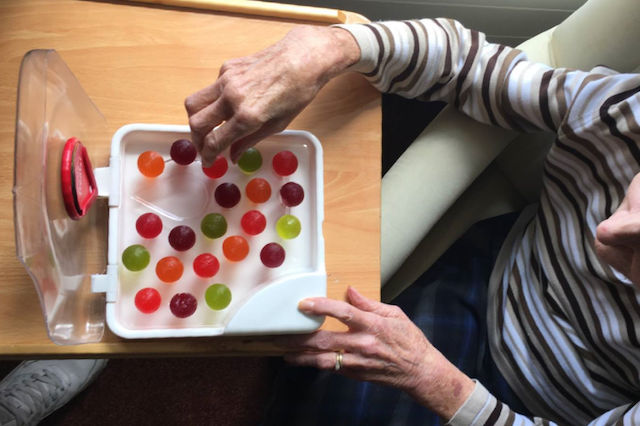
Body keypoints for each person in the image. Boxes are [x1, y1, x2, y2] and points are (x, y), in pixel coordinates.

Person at [184, 18, 640, 425]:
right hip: (501, 281)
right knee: (329, 394)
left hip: (562, 407)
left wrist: (436, 382)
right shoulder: (622, 110)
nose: (604, 236)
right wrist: (328, 47)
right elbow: (468, 66)